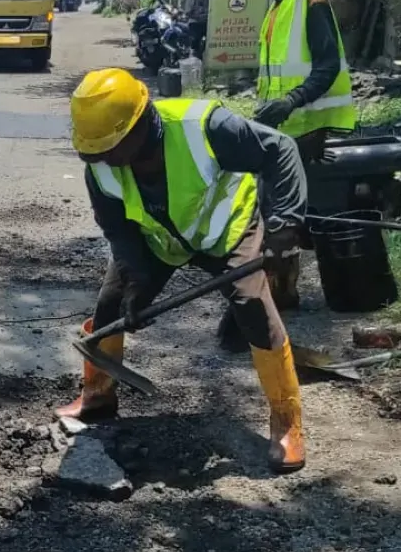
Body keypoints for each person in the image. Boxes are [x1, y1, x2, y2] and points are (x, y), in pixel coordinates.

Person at [57, 68, 308, 474]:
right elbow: (119, 230)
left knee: (252, 306)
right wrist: (136, 281)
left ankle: (286, 422)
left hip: (225, 229)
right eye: (96, 152)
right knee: (111, 305)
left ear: (140, 125)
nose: (105, 159)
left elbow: (280, 150)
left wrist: (284, 226)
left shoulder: (206, 128)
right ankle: (97, 396)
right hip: (161, 241)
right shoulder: (100, 166)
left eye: (111, 149)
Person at [216, 0, 356, 347]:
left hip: (304, 127)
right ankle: (283, 292)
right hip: (284, 127)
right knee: (277, 211)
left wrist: (291, 101)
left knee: (278, 216)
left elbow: (327, 65)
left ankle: (269, 306)